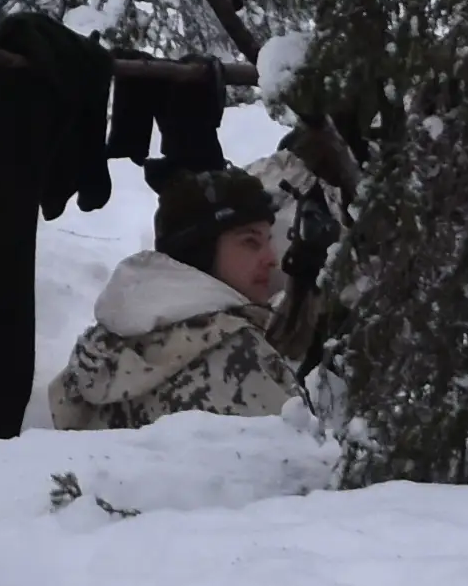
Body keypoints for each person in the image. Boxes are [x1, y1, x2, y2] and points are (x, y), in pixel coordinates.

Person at [43, 165, 301, 431]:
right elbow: (301, 461)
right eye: (250, 243)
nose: (271, 258)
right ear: (200, 249)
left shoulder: (105, 343)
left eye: (269, 241)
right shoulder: (238, 352)